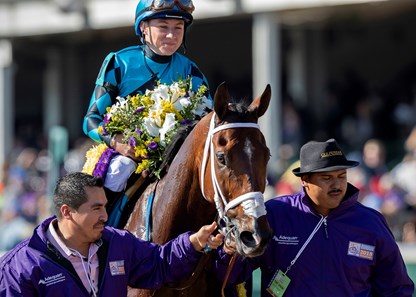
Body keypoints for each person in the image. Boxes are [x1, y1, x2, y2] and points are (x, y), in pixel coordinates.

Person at [215, 139, 415, 297]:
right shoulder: (276, 213)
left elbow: (396, 288)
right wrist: (228, 251)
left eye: (341, 176)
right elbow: (235, 275)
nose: (337, 185)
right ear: (305, 181)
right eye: (327, 178)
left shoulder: (371, 222)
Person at [0, 172, 223, 296]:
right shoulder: (19, 268)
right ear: (67, 212)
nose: (105, 216)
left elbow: (159, 264)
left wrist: (194, 242)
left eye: (105, 207)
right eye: (96, 208)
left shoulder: (118, 242)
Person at [82, 0, 211, 195]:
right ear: (143, 27)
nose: (171, 35)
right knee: (120, 169)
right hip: (128, 155)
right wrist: (117, 142)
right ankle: (102, 224)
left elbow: (209, 120)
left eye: (178, 27)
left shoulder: (191, 71)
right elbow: (90, 121)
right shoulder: (119, 63)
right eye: (163, 27)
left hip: (178, 157)